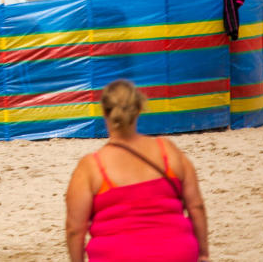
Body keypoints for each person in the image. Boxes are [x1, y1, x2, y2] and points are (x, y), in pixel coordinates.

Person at [65, 80, 209, 262]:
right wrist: (203, 253)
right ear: (139, 109)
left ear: (104, 113)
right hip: (177, 252)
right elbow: (196, 206)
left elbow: (74, 229)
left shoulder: (91, 166)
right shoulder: (167, 151)